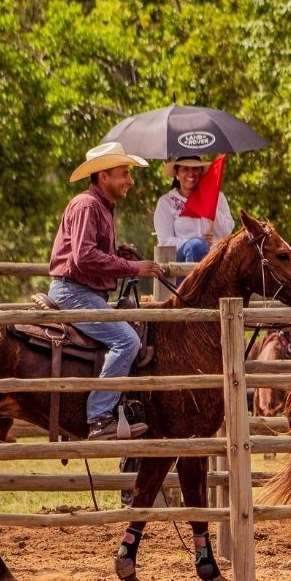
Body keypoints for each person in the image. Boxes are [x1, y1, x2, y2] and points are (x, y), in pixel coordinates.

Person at [48, 141, 165, 441]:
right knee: (127, 341)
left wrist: (116, 253)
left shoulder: (100, 206)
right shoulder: (88, 205)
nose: (130, 180)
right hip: (73, 293)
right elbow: (83, 257)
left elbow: (89, 255)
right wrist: (133, 268)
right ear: (103, 176)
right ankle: (99, 418)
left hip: (80, 291)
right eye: (123, 173)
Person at [153, 155, 235, 263]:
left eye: (195, 169)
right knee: (197, 246)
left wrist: (209, 203)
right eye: (185, 169)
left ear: (201, 172)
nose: (191, 173)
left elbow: (227, 233)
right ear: (177, 174)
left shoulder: (217, 197)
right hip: (180, 261)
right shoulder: (166, 202)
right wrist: (197, 243)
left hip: (214, 259)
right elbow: (165, 241)